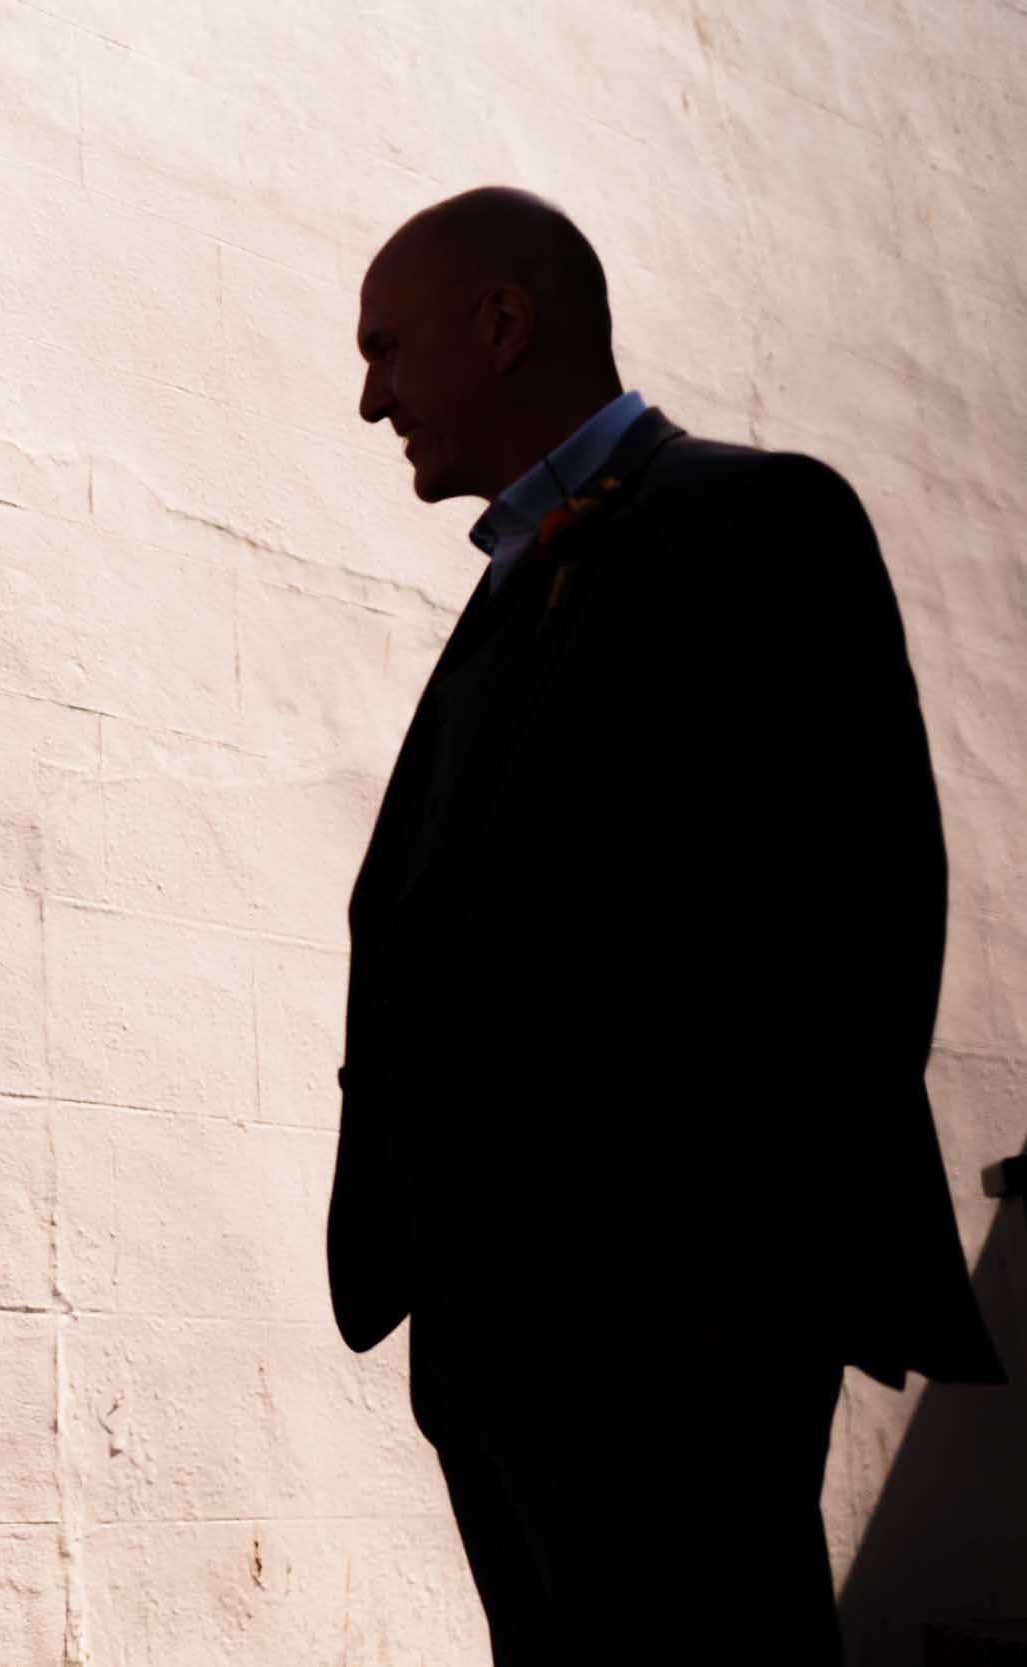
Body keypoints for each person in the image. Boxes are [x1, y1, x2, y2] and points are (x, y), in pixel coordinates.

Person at [329, 187, 1002, 1664]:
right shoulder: (513, 587)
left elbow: (860, 926)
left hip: (670, 1354)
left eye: (389, 349)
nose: (369, 395)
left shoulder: (755, 519)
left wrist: (726, 1313)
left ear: (503, 326)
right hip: (490, 1349)